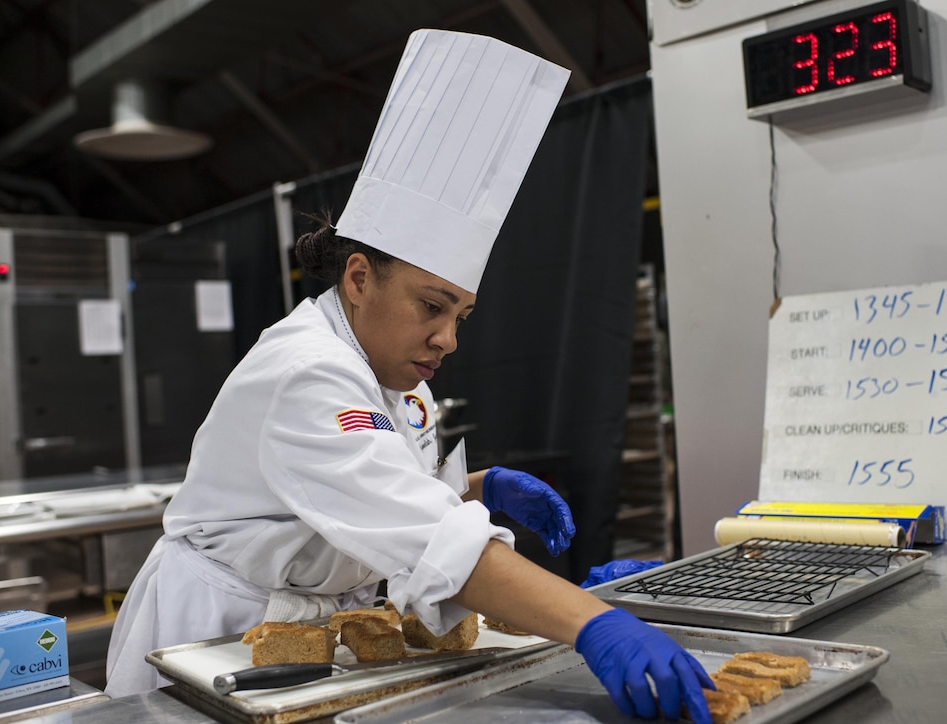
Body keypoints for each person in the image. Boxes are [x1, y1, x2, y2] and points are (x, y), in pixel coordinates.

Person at [104, 29, 712, 722]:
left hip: (312, 640)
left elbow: (378, 496)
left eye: (462, 314)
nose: (447, 338)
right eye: (431, 306)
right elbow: (428, 538)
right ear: (359, 278)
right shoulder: (307, 372)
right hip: (214, 638)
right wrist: (590, 621)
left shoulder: (396, 378)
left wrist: (477, 488)